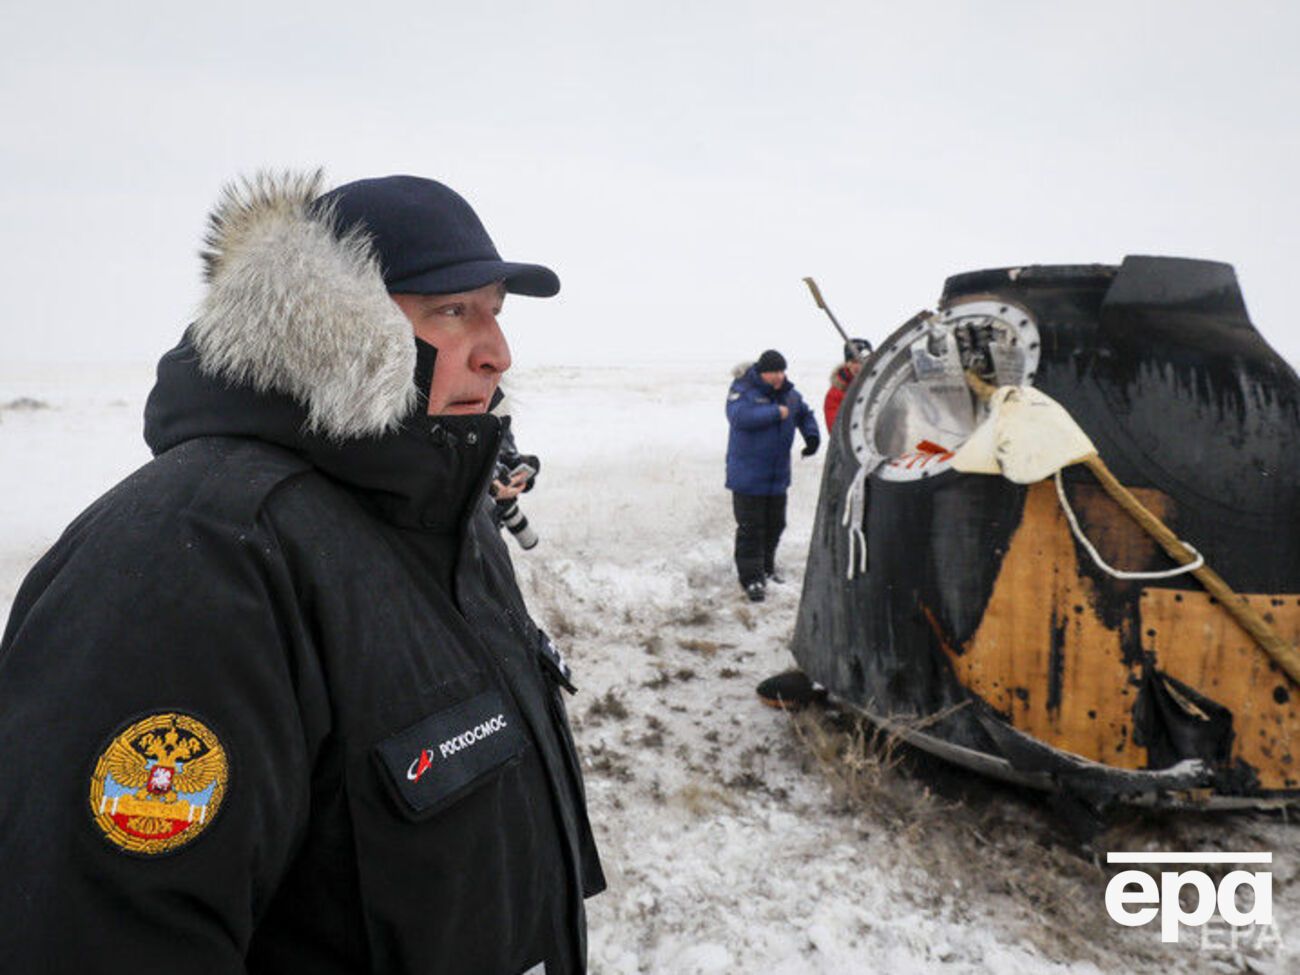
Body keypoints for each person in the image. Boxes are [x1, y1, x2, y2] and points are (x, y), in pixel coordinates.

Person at [0, 173, 604, 973]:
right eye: (452, 311)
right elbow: (95, 930)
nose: (497, 352)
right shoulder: (199, 555)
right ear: (336, 327)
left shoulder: (445, 517)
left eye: (494, 310)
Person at [725, 349, 819, 602]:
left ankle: (766, 569)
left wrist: (811, 436)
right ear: (762, 372)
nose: (779, 376)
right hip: (748, 477)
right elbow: (739, 417)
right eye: (773, 372)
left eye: (781, 371)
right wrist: (776, 413)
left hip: (776, 477)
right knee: (751, 529)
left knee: (775, 525)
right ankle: (751, 579)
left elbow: (804, 413)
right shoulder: (743, 391)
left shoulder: (789, 394)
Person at [823, 337, 871, 430]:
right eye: (855, 362)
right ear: (847, 364)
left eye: (865, 361)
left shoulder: (879, 387)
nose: (861, 366)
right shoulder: (834, 395)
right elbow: (836, 430)